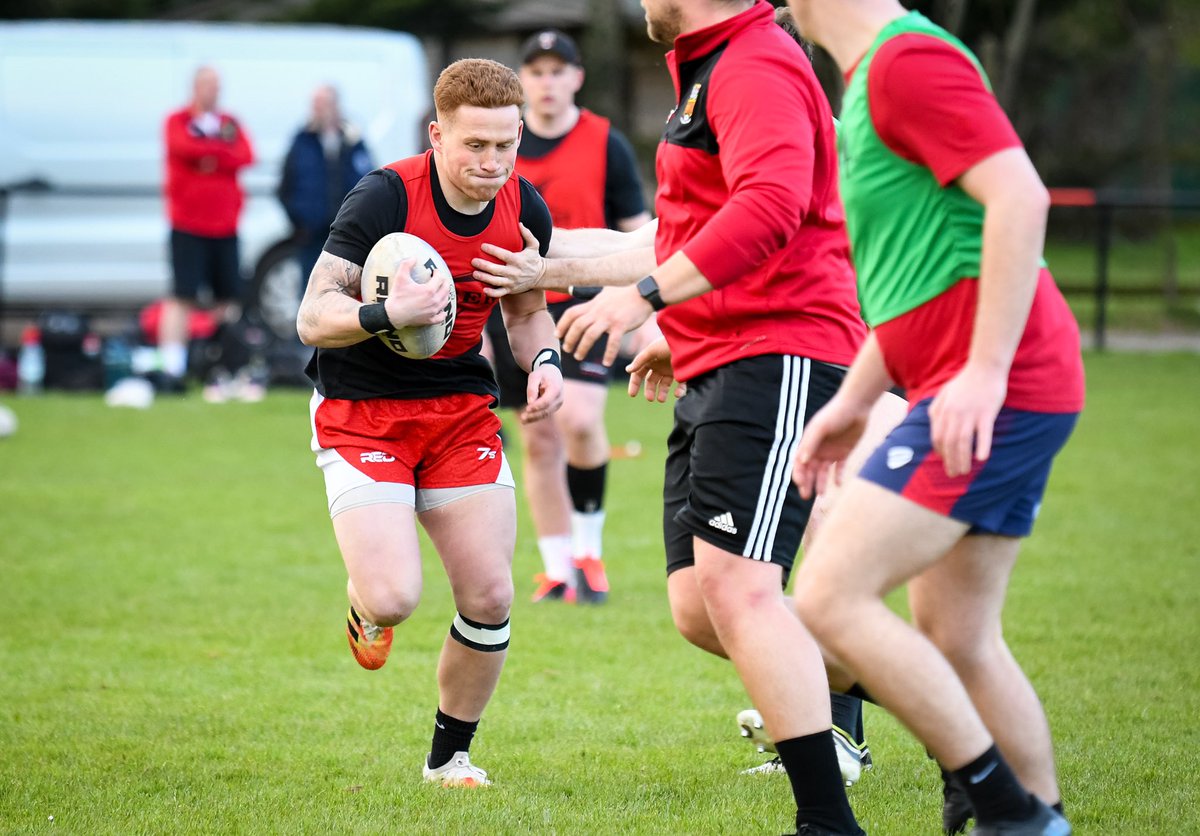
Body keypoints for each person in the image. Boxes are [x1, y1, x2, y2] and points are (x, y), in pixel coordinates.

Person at [478, 2, 869, 832]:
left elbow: (770, 210)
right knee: (701, 605)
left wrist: (643, 301)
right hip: (720, 356)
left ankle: (829, 817)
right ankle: (935, 699)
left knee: (739, 590)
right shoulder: (707, 69)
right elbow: (680, 234)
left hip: (780, 350)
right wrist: (549, 268)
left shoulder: (753, 62)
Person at [784, 2, 1083, 835]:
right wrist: (851, 401)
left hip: (1001, 382)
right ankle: (1037, 820)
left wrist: (985, 371)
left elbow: (1020, 197)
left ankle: (1005, 807)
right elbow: (919, 278)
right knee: (958, 634)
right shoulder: (866, 82)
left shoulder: (906, 60)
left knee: (829, 594)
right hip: (963, 382)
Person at [296, 58, 563, 788]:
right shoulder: (383, 197)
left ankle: (450, 758)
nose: (491, 163)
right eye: (475, 146)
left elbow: (528, 311)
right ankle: (364, 605)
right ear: (437, 134)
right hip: (362, 414)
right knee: (393, 598)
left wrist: (546, 365)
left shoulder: (522, 206)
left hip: (457, 414)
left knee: (491, 595)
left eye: (505, 146)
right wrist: (383, 315)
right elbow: (312, 315)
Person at [484, 29, 652, 605]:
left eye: (558, 71)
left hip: (584, 300)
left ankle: (589, 553)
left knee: (578, 419)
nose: (547, 82)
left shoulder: (606, 142)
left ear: (577, 77)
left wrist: (649, 297)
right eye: (536, 71)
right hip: (512, 301)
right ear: (522, 81)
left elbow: (640, 230)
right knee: (538, 437)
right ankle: (557, 569)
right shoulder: (501, 142)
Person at [161, 65, 254, 392]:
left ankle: (223, 364)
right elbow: (184, 149)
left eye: (217, 85)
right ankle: (173, 367)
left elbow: (244, 155)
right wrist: (218, 152)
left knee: (227, 299)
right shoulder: (178, 121)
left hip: (225, 225)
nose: (213, 91)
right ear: (195, 87)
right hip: (188, 224)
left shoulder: (229, 123)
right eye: (207, 85)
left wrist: (212, 156)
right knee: (182, 296)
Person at [278, 84, 374, 294]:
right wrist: (298, 223)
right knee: (310, 290)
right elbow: (285, 187)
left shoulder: (352, 141)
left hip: (345, 232)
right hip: (310, 234)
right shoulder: (301, 141)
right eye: (315, 105)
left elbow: (368, 182)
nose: (318, 110)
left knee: (344, 291)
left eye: (323, 104)